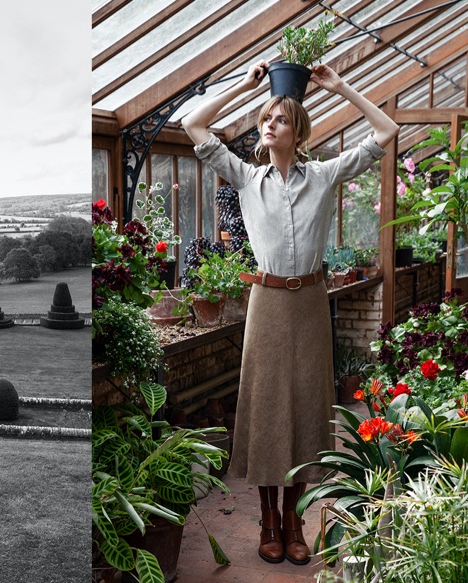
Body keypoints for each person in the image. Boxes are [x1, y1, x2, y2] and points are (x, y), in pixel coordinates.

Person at [181, 60, 399, 565]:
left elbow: (385, 130)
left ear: (297, 129)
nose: (268, 125)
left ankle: (297, 519)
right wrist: (244, 84)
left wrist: (341, 86)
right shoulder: (244, 176)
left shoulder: (323, 175)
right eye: (264, 120)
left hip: (309, 305)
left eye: (278, 119)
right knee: (264, 411)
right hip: (267, 304)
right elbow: (193, 126)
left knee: (305, 408)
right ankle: (269, 520)